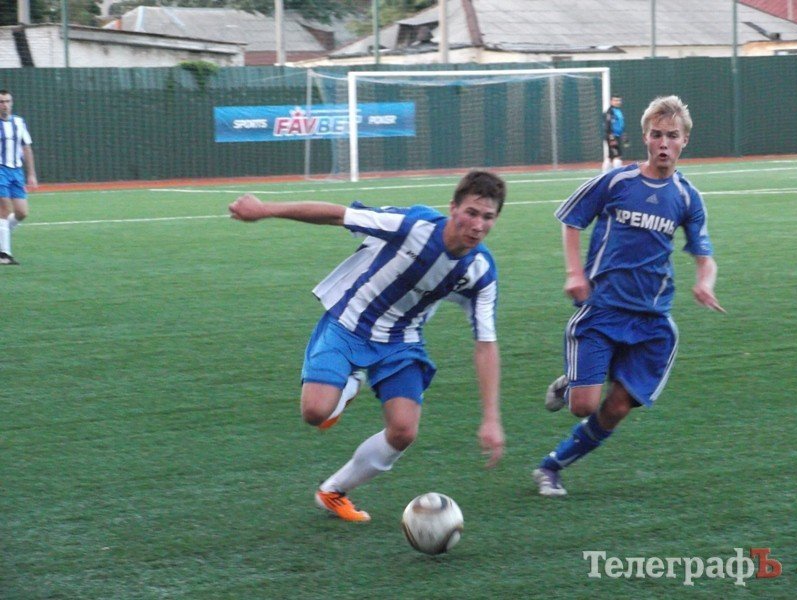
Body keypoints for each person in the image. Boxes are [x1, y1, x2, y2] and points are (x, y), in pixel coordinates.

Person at [228, 170, 506, 521]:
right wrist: (264, 209)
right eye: (471, 212)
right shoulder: (411, 226)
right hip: (350, 322)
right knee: (315, 413)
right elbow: (336, 214)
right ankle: (350, 382)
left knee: (404, 430)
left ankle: (333, 490)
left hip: (401, 341)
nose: (478, 225)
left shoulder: (481, 272)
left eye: (488, 217)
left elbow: (486, 343)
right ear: (452, 208)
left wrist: (491, 418)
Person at [532, 95, 725, 497]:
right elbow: (571, 218)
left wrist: (705, 282)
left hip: (651, 320)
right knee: (584, 405)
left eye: (672, 136)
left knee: (617, 407)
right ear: (645, 137)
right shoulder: (618, 181)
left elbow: (705, 258)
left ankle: (552, 467)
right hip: (602, 308)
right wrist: (574, 272)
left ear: (685, 140)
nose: (664, 144)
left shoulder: (688, 198)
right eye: (657, 135)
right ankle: (572, 383)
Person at [0, 89, 38, 265]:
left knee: (22, 212)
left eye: (7, 101)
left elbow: (27, 147)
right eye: (1, 102)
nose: (5, 105)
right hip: (0, 169)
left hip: (16, 171)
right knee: (4, 210)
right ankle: (4, 254)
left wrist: (31, 174)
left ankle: (2, 237)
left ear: (12, 103)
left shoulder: (19, 122)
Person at [602, 94, 627, 173]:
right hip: (612, 136)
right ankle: (617, 175)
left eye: (619, 100)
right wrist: (611, 137)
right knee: (617, 156)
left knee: (610, 156)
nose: (617, 102)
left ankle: (604, 174)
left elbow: (620, 125)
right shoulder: (610, 111)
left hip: (618, 136)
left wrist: (624, 135)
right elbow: (607, 125)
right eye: (615, 100)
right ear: (611, 101)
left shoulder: (618, 111)